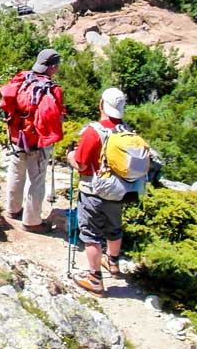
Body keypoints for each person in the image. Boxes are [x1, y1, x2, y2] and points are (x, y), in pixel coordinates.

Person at [68, 87, 150, 295]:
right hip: (121, 190)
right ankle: (112, 262)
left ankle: (94, 278)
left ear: (101, 104)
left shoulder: (93, 131)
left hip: (94, 190)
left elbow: (82, 164)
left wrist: (70, 156)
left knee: (90, 233)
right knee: (114, 227)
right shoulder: (127, 131)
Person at [0, 48, 66, 231]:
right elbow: (57, 117)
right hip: (37, 141)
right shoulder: (52, 89)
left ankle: (13, 210)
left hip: (16, 136)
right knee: (36, 180)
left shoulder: (22, 80)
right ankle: (32, 221)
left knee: (16, 172)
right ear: (51, 67)